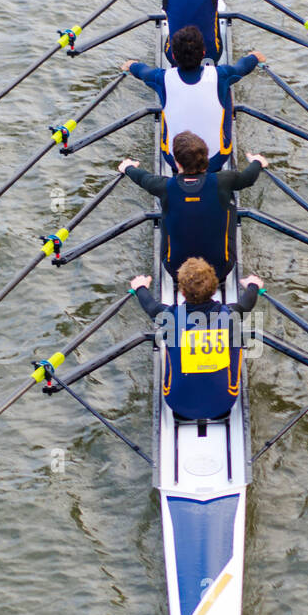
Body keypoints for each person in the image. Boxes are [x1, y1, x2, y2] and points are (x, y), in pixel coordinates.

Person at [119, 130, 267, 280]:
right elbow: (248, 178)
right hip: (221, 269)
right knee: (229, 203)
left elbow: (143, 178)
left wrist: (128, 167)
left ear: (176, 163)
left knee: (166, 208)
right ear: (206, 158)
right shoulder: (224, 180)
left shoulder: (164, 186)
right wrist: (257, 162)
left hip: (175, 270)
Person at [130, 258, 263, 421]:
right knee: (236, 340)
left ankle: (184, 407)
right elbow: (246, 304)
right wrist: (253, 285)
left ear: (183, 293)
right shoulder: (230, 315)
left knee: (169, 342)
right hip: (225, 402)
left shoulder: (169, 317)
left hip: (176, 403)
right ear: (215, 291)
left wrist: (140, 287)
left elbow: (150, 306)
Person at [122, 25, 264, 166]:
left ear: (173, 56)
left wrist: (131, 65)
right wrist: (254, 57)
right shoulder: (221, 74)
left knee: (163, 94)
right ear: (203, 53)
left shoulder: (161, 78)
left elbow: (142, 71)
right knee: (226, 86)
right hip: (215, 159)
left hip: (173, 158)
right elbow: (242, 68)